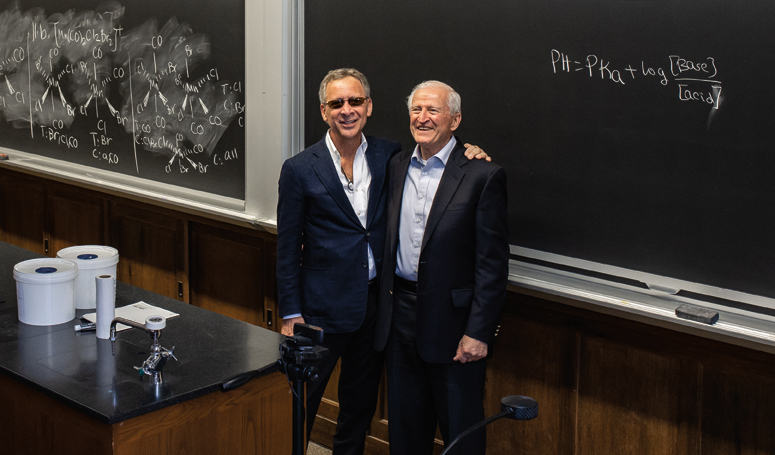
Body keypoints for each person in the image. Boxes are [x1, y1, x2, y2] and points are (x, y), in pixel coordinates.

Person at [276, 69, 487, 455]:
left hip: (376, 312)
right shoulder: (299, 168)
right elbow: (288, 247)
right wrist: (291, 313)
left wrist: (468, 150)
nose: (347, 110)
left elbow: (443, 155)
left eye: (355, 101)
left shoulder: (391, 156)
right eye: (337, 103)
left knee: (357, 411)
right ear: (324, 111)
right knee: (298, 408)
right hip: (318, 312)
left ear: (369, 107)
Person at [374, 80, 509, 455]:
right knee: (405, 429)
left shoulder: (482, 175)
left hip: (455, 328)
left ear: (455, 119)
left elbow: (492, 265)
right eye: (416, 110)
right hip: (399, 317)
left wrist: (479, 333)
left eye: (433, 110)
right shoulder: (396, 166)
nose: (423, 117)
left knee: (460, 433)